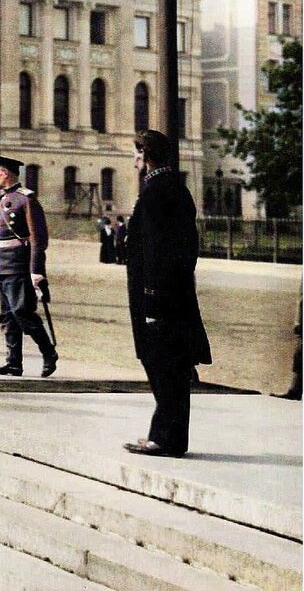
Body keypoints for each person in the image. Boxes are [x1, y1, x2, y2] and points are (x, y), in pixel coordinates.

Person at [123, 130, 212, 457]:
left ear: (146, 156)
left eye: (137, 154)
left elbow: (161, 250)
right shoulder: (171, 189)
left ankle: (165, 438)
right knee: (167, 365)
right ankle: (167, 436)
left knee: (163, 364)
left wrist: (153, 296)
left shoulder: (157, 193)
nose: (134, 161)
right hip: (167, 294)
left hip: (157, 297)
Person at [0, 153, 58, 378]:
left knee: (22, 312)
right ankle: (13, 363)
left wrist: (36, 270)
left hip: (18, 265)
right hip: (1, 266)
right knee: (7, 316)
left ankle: (48, 352)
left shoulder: (25, 199)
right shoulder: (1, 198)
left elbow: (38, 239)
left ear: (5, 173)